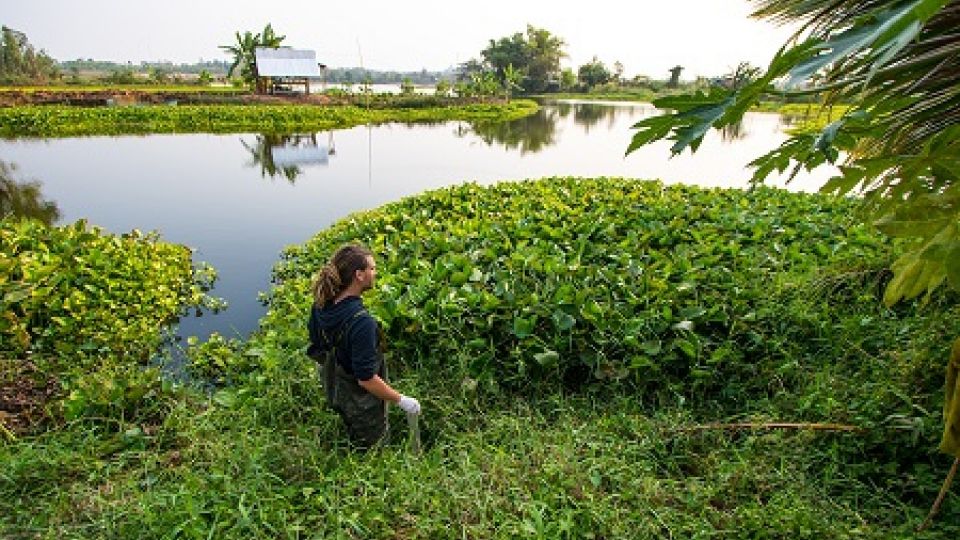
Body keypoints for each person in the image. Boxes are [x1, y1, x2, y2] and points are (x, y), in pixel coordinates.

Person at [307, 243, 420, 448]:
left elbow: (316, 345)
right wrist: (402, 400)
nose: (375, 273)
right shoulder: (361, 322)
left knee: (347, 419)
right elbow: (366, 380)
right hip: (360, 398)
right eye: (372, 268)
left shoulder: (320, 304)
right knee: (375, 445)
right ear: (359, 275)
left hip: (333, 382)